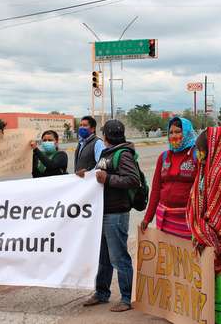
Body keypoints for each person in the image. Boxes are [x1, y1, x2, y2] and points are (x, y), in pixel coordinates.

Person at [81, 119, 140, 312]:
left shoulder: (123, 154)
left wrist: (108, 179)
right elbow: (100, 173)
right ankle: (102, 293)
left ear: (106, 135)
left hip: (116, 213)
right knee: (103, 257)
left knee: (118, 257)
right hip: (103, 212)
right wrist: (87, 175)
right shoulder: (108, 153)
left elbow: (133, 180)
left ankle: (126, 298)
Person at [187, 127, 221, 324]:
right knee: (211, 286)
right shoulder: (206, 168)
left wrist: (204, 235)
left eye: (200, 149)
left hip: (218, 239)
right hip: (207, 237)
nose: (197, 153)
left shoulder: (219, 173)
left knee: (220, 285)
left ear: (211, 147)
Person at [140, 116, 197, 239]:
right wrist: (147, 218)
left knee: (188, 257)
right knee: (167, 256)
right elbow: (155, 190)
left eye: (178, 132)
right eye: (171, 133)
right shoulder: (164, 157)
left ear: (187, 133)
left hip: (188, 220)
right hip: (165, 220)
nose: (173, 136)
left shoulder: (196, 155)